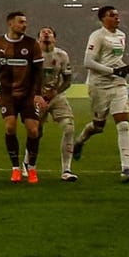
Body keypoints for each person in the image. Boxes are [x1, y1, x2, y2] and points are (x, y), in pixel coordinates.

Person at [73, 5, 129, 181]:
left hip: (118, 84)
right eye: (112, 15)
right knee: (98, 127)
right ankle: (79, 141)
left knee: (123, 124)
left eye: (118, 15)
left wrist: (126, 69)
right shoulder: (97, 36)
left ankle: (126, 170)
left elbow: (115, 59)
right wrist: (113, 71)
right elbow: (88, 62)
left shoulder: (121, 35)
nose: (117, 18)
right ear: (102, 19)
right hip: (99, 86)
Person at [0, 10, 47, 183]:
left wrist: (38, 94)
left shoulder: (31, 44)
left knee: (33, 130)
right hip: (8, 93)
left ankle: (32, 168)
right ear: (10, 23)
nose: (25, 25)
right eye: (21, 22)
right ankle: (15, 168)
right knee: (10, 127)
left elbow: (38, 72)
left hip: (28, 94)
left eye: (25, 22)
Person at [37, 27, 80, 181]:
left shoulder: (62, 55)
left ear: (54, 38)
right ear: (38, 39)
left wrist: (56, 91)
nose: (46, 34)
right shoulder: (32, 54)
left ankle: (66, 170)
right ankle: (27, 165)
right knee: (34, 132)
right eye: (43, 32)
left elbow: (68, 80)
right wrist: (37, 94)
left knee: (69, 127)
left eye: (49, 32)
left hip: (56, 97)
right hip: (37, 97)